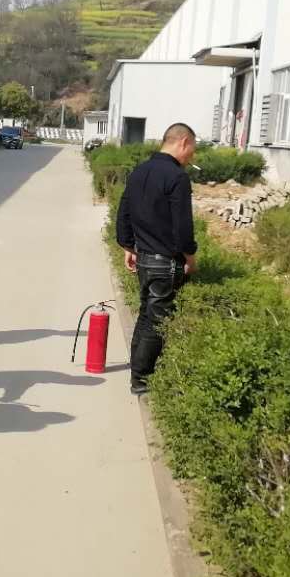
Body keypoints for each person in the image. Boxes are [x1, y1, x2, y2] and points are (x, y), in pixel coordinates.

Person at [115, 123, 198, 395]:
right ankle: (142, 380)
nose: (192, 156)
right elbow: (183, 226)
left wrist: (127, 245)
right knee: (156, 321)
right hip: (165, 262)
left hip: (143, 258)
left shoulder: (139, 171)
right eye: (192, 149)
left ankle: (137, 372)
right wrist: (190, 256)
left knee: (146, 316)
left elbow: (124, 211)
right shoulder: (177, 177)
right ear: (183, 142)